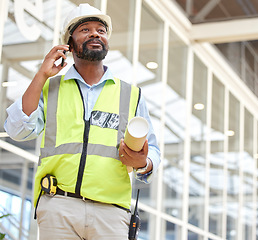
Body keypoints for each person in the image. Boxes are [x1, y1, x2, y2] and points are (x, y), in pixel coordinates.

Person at [4, 3, 160, 239]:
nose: (96, 33)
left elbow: (154, 151)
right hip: (58, 206)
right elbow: (17, 129)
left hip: (112, 211)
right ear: (69, 42)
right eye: (85, 29)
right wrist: (41, 75)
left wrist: (143, 162)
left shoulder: (131, 94)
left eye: (101, 30)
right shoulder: (49, 88)